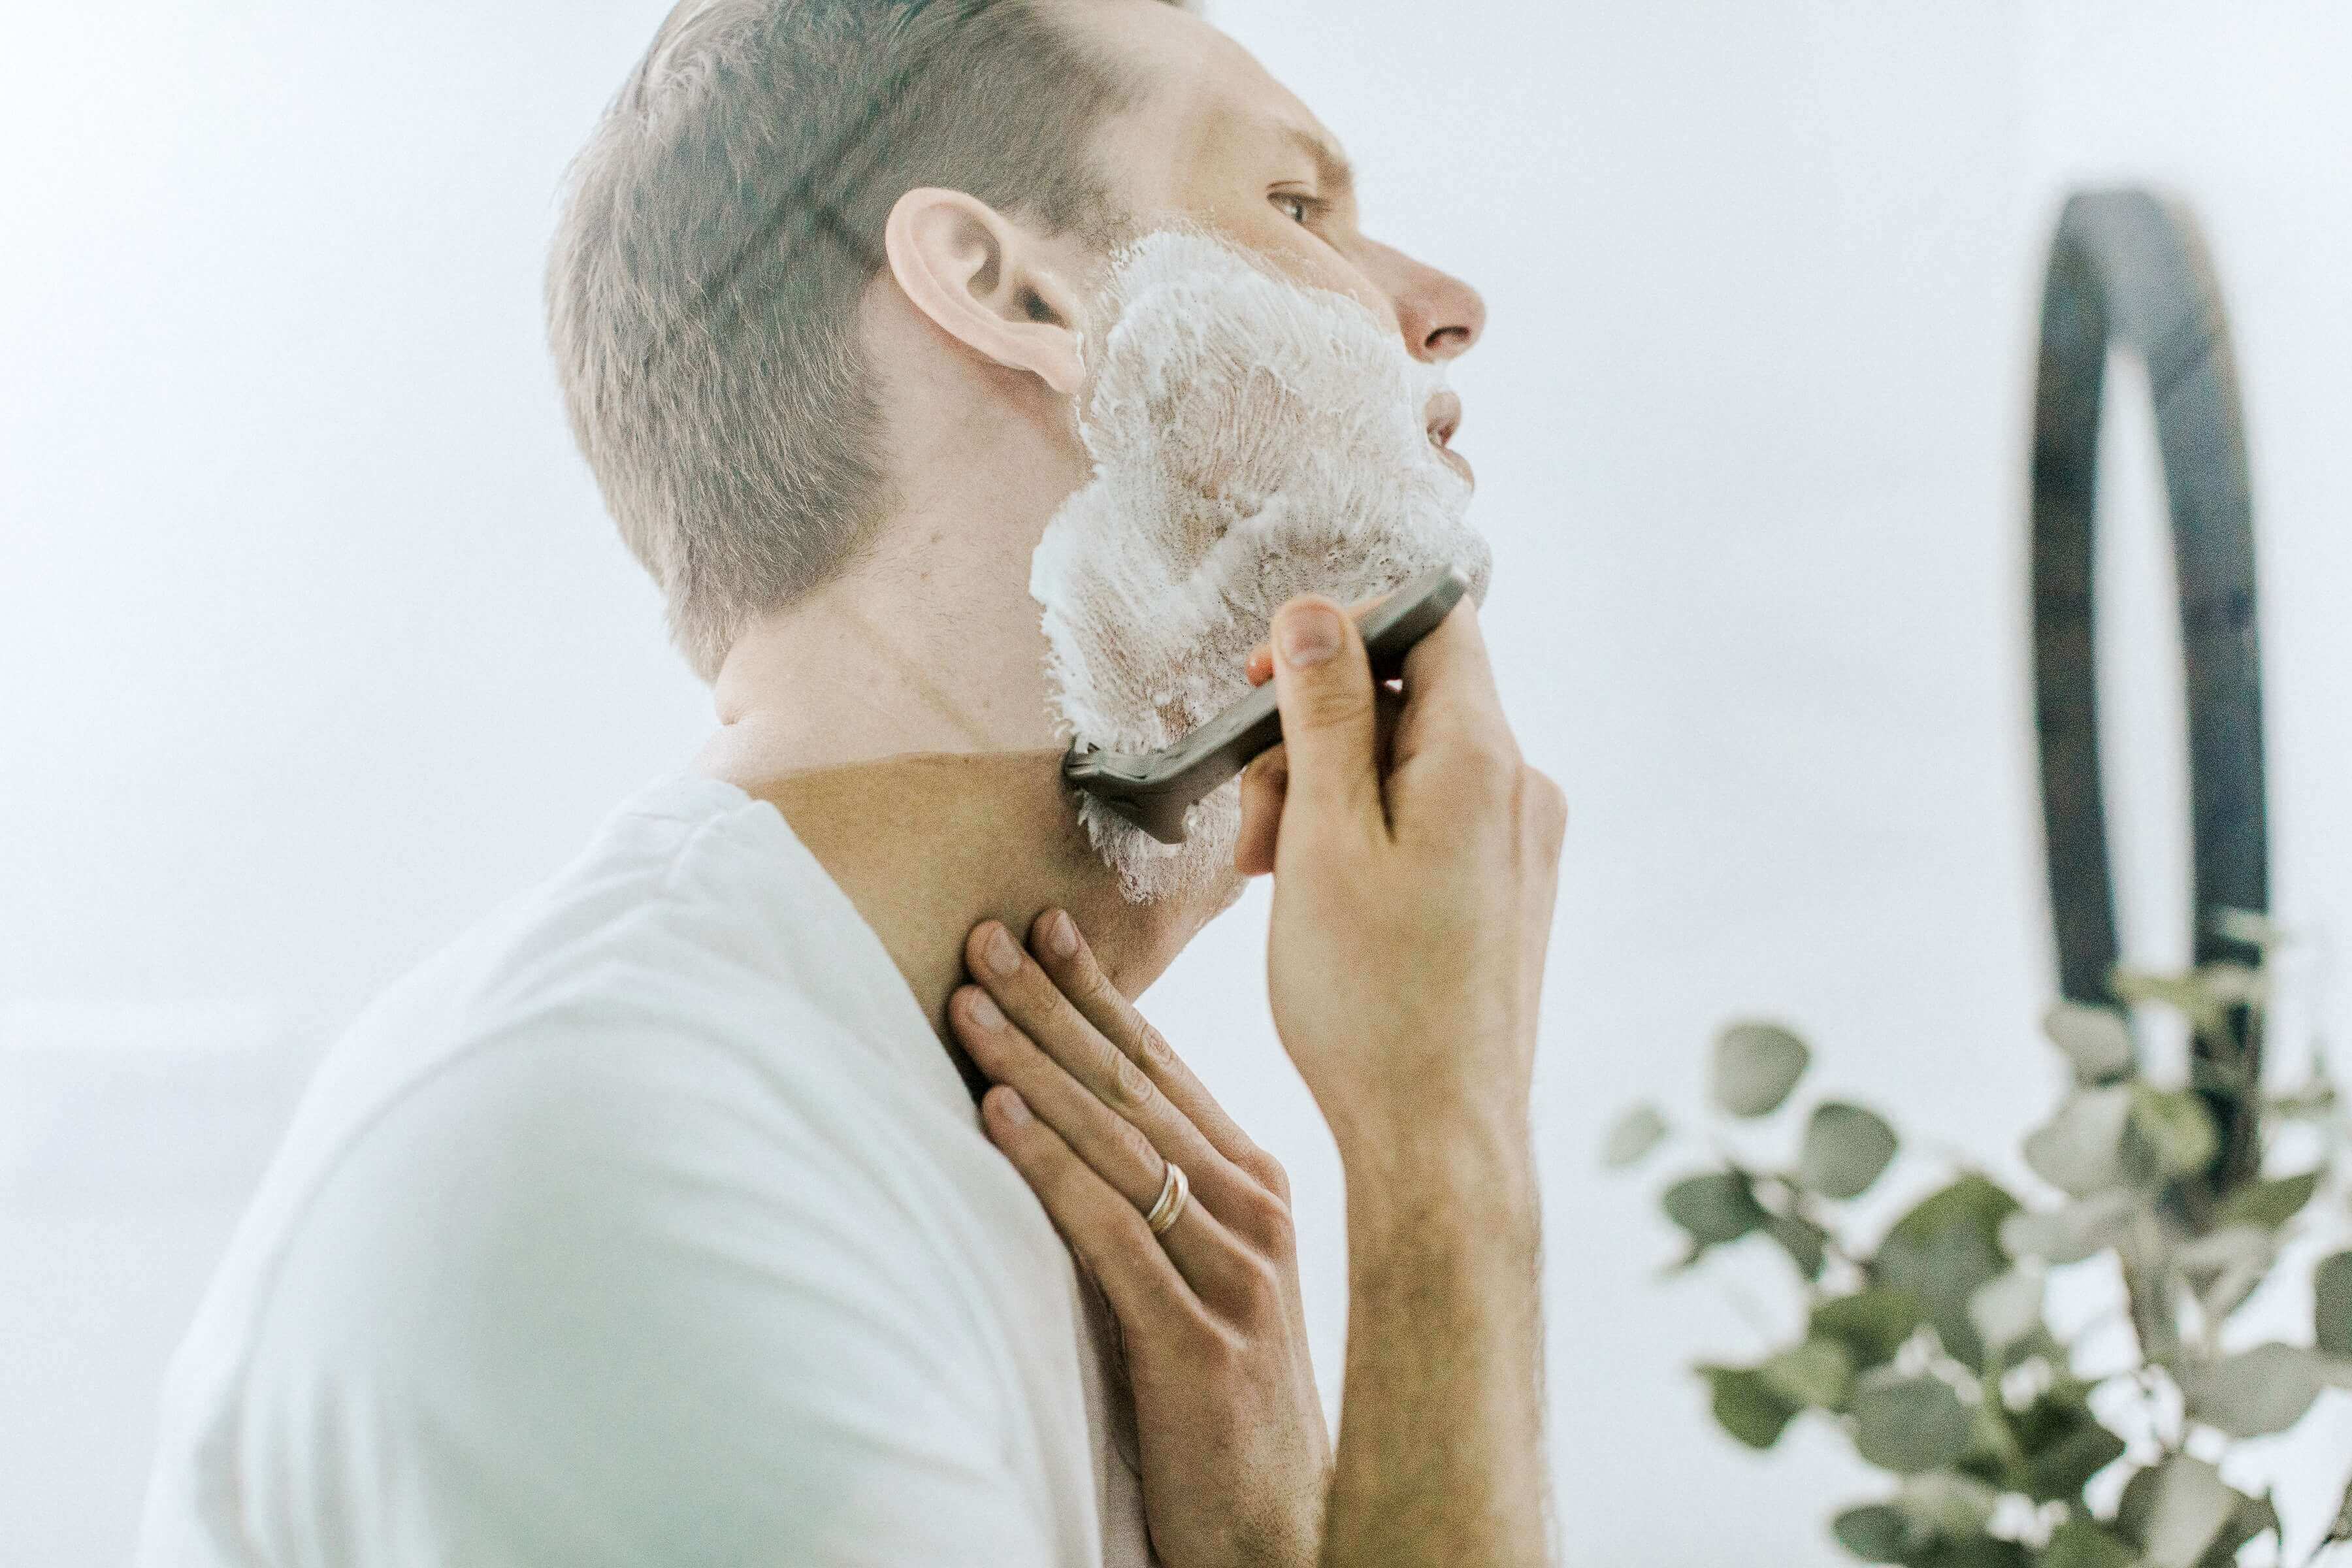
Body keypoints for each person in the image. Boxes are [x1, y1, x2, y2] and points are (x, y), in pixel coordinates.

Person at [134, 1, 1567, 1565]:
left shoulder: (1047, 1230)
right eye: (1296, 207)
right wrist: (1447, 1177)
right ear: (1010, 289)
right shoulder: (626, 1189)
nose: (1444, 306)